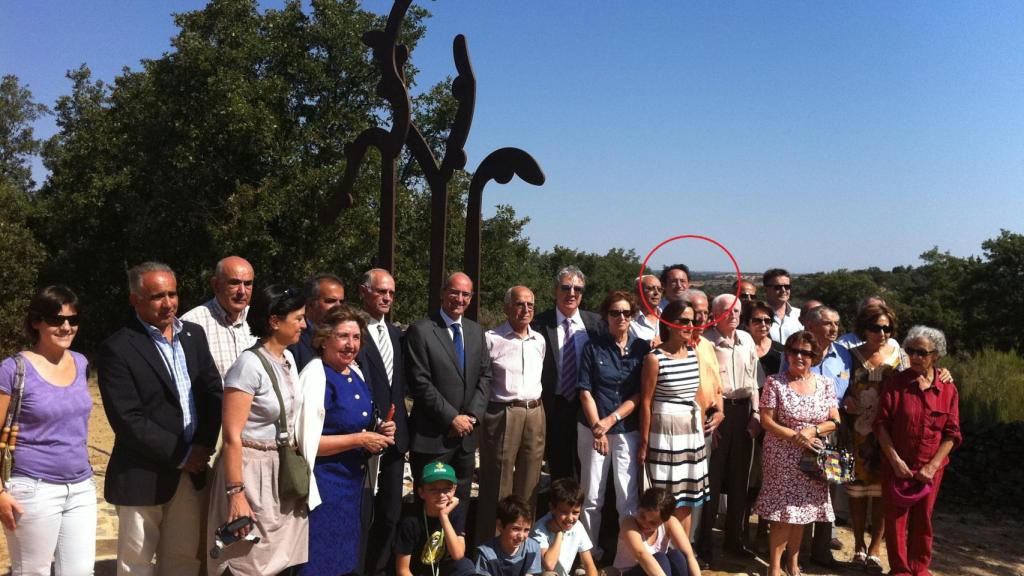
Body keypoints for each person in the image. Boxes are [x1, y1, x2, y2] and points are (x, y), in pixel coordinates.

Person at [97, 262, 222, 576]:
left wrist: (204, 445)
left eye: (172, 293)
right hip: (143, 473)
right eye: (157, 296)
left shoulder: (193, 335)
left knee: (183, 560)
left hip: (191, 471)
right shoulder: (118, 347)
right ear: (135, 300)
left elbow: (212, 393)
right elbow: (128, 419)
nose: (168, 303)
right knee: (136, 564)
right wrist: (182, 454)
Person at [207, 284, 308, 576]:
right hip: (251, 473)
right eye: (298, 318)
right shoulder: (248, 366)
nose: (304, 324)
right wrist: (236, 493)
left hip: (281, 472)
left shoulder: (287, 359)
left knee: (278, 560)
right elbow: (232, 436)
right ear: (275, 321)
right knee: (246, 560)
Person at [0, 286, 95, 576]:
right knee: (33, 572)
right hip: (33, 489)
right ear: (36, 322)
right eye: (56, 320)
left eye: (72, 319)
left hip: (81, 487)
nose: (66, 326)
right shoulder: (12, 369)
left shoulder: (81, 363)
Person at [296, 306, 396, 576]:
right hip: (324, 488)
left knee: (344, 561)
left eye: (356, 337)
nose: (351, 345)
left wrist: (380, 429)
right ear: (324, 338)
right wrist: (359, 439)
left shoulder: (355, 373)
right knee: (319, 563)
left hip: (352, 488)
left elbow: (358, 422)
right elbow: (308, 443)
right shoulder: (316, 376)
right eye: (343, 337)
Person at [406, 272, 492, 529]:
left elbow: (485, 377)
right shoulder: (421, 330)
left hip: (465, 439)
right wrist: (451, 418)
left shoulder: (476, 331)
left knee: (459, 506)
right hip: (433, 438)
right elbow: (419, 383)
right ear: (443, 293)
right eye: (454, 292)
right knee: (430, 508)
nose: (460, 299)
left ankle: (453, 560)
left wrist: (472, 417)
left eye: (466, 294)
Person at [875, 326, 962, 576]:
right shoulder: (895, 384)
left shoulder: (948, 389)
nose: (914, 357)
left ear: (936, 355)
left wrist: (933, 465)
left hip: (930, 468)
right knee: (895, 520)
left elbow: (952, 434)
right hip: (897, 466)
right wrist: (894, 461)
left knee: (923, 520)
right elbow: (880, 425)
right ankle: (900, 570)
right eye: (910, 351)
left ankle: (919, 568)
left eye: (921, 352)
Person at [755, 331, 841, 576]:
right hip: (781, 455)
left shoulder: (825, 383)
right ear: (787, 354)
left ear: (814, 357)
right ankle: (774, 567)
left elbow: (835, 420)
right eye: (793, 351)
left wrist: (812, 431)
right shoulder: (775, 382)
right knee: (783, 512)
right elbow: (767, 422)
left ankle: (793, 565)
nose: (798, 356)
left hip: (812, 457)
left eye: (805, 352)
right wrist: (796, 436)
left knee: (803, 511)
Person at [576, 291, 649, 560]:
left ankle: (626, 557)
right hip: (591, 428)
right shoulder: (592, 347)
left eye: (626, 313)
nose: (621, 317)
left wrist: (609, 421)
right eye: (615, 312)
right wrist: (598, 427)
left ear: (632, 316)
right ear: (606, 316)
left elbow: (639, 394)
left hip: (625, 429)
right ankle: (588, 555)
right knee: (592, 495)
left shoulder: (641, 348)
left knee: (626, 498)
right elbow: (585, 391)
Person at [476, 286, 546, 544]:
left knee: (530, 485)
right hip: (503, 412)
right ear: (507, 308)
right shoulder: (491, 338)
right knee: (497, 486)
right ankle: (490, 549)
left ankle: (521, 549)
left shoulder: (539, 340)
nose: (525, 309)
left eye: (530, 304)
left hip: (535, 412)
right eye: (519, 304)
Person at [697, 294, 760, 563]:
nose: (733, 314)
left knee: (739, 480)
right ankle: (704, 544)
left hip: (745, 411)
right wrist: (711, 416)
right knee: (712, 479)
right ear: (715, 315)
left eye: (736, 310)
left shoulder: (746, 339)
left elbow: (754, 380)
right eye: (726, 310)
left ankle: (735, 539)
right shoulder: (705, 342)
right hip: (719, 413)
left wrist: (756, 413)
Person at [844, 302, 906, 571]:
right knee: (857, 492)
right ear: (863, 328)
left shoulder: (899, 354)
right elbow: (839, 385)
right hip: (857, 432)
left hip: (888, 433)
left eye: (886, 327)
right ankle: (858, 545)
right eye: (875, 327)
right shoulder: (850, 354)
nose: (881, 333)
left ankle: (875, 547)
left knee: (882, 493)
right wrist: (845, 398)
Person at [639, 301, 709, 534]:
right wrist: (645, 441)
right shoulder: (654, 358)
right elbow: (646, 401)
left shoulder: (693, 353)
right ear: (669, 324)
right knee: (663, 500)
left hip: (690, 435)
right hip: (664, 435)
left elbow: (697, 394)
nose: (690, 325)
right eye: (684, 321)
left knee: (686, 500)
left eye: (693, 321)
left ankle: (681, 553)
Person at [358, 268, 411, 576]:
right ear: (364, 291)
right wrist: (374, 422)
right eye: (381, 291)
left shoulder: (394, 334)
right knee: (363, 514)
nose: (387, 298)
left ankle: (377, 570)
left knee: (390, 513)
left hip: (395, 438)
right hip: (363, 437)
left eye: (391, 293)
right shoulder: (352, 333)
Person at [533, 265, 602, 481]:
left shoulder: (596, 324)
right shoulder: (538, 324)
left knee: (588, 470)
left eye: (578, 289)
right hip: (555, 406)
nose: (571, 293)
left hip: (588, 406)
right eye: (566, 287)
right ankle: (560, 514)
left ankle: (583, 513)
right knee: (559, 469)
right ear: (555, 290)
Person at [801, 304, 853, 568]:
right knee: (800, 488)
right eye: (827, 323)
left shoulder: (844, 355)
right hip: (803, 432)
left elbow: (850, 388)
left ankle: (821, 550)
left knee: (828, 490)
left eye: (836, 323)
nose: (834, 328)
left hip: (833, 431)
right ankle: (795, 550)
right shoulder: (799, 352)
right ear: (810, 326)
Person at [180, 255, 257, 378]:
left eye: (248, 284)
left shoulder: (260, 319)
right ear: (216, 285)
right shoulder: (191, 324)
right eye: (234, 283)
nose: (242, 291)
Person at [394, 462, 474, 576]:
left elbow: (458, 554)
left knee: (465, 566)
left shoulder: (456, 511)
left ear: (454, 490)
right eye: (433, 490)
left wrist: (444, 516)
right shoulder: (411, 521)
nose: (441, 495)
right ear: (421, 492)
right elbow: (403, 570)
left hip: (444, 570)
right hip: (419, 572)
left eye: (447, 489)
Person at [611, 487, 700, 576]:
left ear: (663, 521)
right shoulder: (629, 523)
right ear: (638, 507)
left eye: (653, 523)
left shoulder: (670, 523)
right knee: (660, 559)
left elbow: (689, 556)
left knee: (677, 556)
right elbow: (641, 554)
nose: (645, 524)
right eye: (642, 516)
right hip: (629, 572)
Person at [531, 478, 599, 576]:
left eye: (575, 512)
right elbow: (549, 565)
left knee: (611, 571)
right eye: (564, 512)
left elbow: (589, 564)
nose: (570, 518)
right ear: (552, 508)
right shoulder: (540, 529)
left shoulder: (577, 526)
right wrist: (560, 533)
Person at [475, 495, 543, 576]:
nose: (521, 536)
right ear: (500, 525)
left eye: (526, 530)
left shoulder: (533, 548)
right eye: (516, 529)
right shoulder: (486, 554)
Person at [289, 274, 345, 371]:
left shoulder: (346, 339)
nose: (338, 307)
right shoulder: (294, 340)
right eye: (330, 301)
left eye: (341, 302)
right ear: (310, 304)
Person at [743, 301, 784, 378]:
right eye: (757, 321)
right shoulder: (740, 349)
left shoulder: (781, 350)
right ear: (747, 325)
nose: (763, 324)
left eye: (767, 321)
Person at [763, 268, 802, 344]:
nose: (783, 290)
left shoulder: (800, 315)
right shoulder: (757, 316)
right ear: (766, 290)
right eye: (778, 287)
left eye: (787, 286)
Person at [630, 275, 663, 343]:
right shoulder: (629, 320)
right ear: (637, 292)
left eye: (659, 289)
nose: (656, 293)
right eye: (650, 288)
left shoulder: (668, 317)